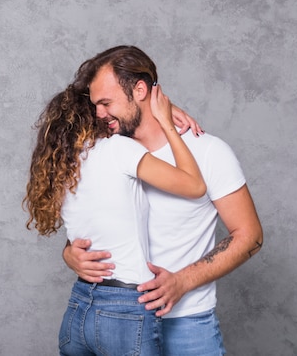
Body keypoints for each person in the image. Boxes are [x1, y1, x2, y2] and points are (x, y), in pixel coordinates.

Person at [63, 45, 264, 356]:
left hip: (186, 327)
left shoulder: (208, 151)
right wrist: (70, 253)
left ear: (140, 89)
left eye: (106, 103)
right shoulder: (105, 152)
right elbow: (84, 219)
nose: (99, 114)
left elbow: (249, 236)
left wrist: (182, 282)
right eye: (95, 106)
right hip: (119, 325)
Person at [24, 81, 207, 355]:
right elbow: (195, 186)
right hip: (125, 309)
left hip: (79, 306)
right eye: (101, 106)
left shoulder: (62, 168)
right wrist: (167, 122)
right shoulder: (118, 150)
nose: (105, 113)